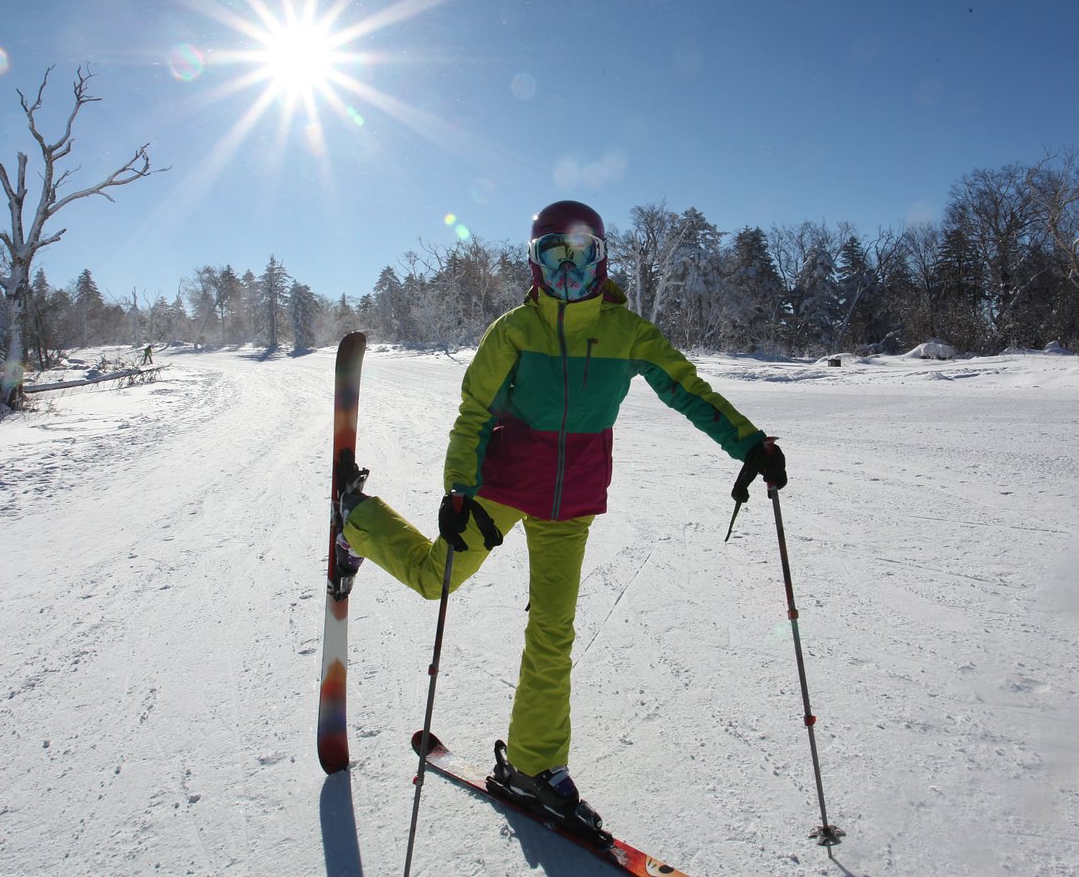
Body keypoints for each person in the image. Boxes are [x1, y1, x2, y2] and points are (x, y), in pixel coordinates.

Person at [334, 199, 786, 832]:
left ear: (601, 262)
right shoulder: (516, 330)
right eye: (555, 259)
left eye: (581, 259)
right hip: (504, 489)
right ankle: (355, 520)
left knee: (553, 631)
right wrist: (460, 488)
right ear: (536, 264)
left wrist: (750, 443)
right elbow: (472, 414)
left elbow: (689, 391)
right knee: (438, 579)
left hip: (571, 504)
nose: (568, 273)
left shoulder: (629, 335)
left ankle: (533, 763)